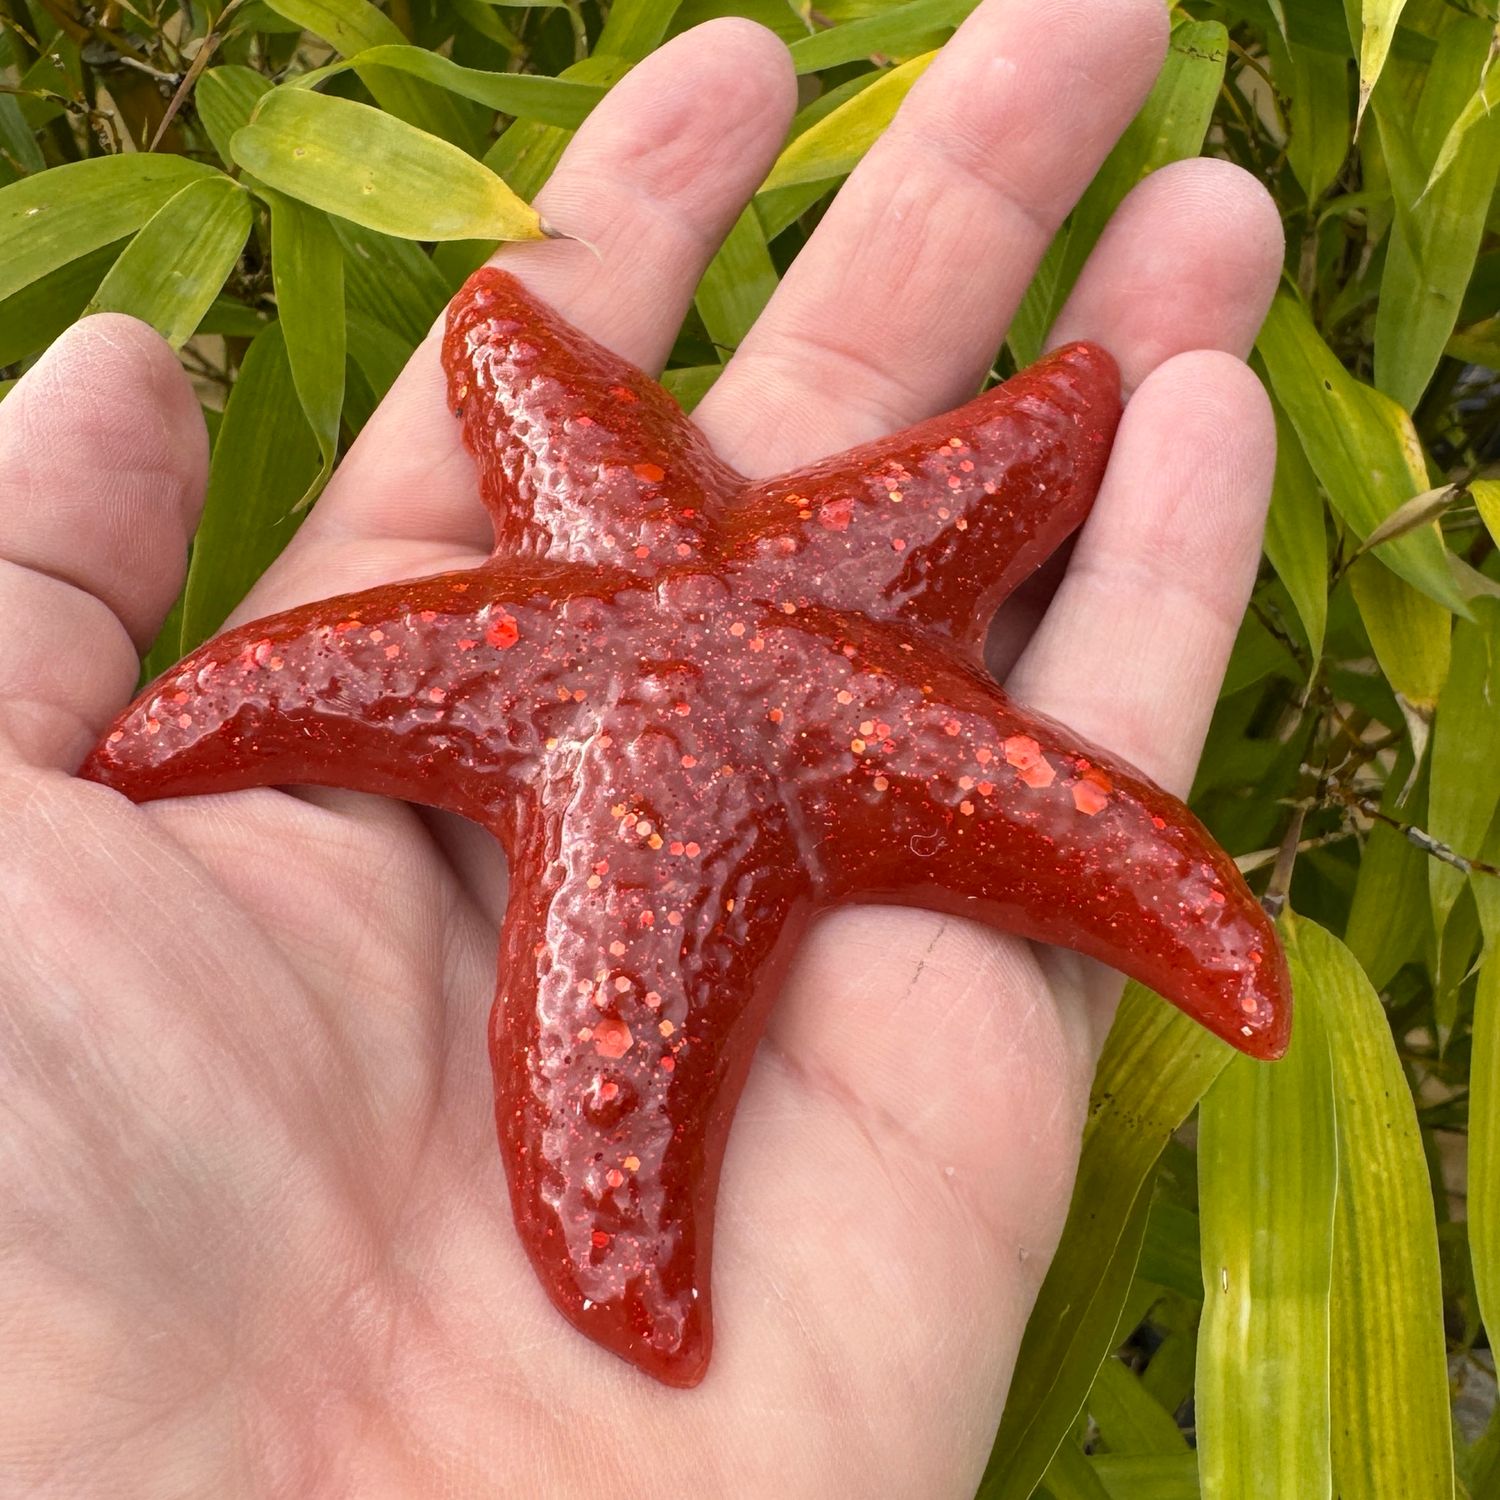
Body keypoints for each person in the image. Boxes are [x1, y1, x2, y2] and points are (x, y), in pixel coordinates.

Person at [0, 0, 1283, 1491]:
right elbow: (488, 400)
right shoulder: (664, 634)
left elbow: (1020, 461)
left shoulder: (706, 618)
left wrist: (1065, 422)